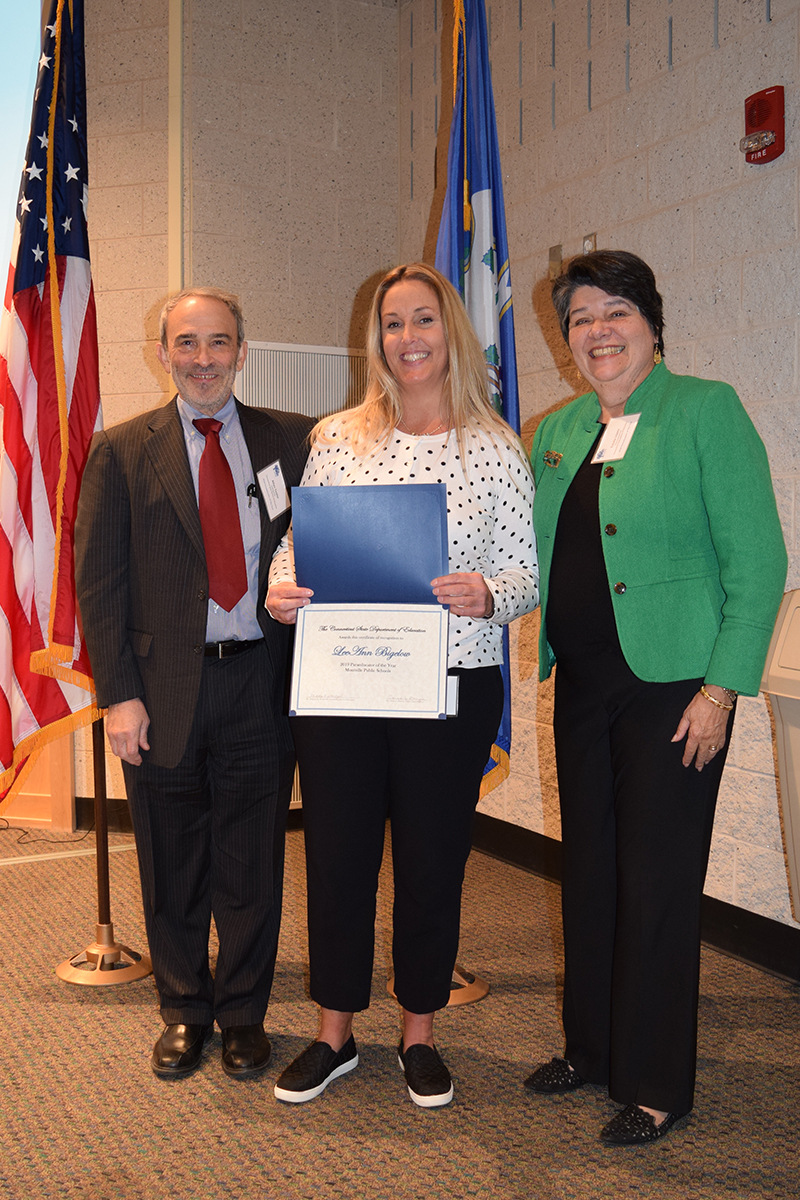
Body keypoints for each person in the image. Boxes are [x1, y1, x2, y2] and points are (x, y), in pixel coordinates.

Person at [525, 250, 787, 1144]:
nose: (598, 331)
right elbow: (535, 554)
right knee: (591, 873)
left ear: (651, 324)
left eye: (616, 312)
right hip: (583, 686)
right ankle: (592, 1049)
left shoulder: (705, 409)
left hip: (676, 691)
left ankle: (655, 1084)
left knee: (657, 882)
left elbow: (760, 562)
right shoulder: (559, 429)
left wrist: (723, 690)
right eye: (581, 318)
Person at [267, 262, 538, 1107]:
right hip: (344, 683)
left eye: (423, 319)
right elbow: (298, 544)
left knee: (432, 859)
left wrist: (487, 593)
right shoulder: (338, 437)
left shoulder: (495, 448)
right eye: (393, 323)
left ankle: (419, 1032)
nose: (408, 337)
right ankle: (334, 1033)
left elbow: (527, 574)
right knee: (337, 856)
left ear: (449, 331)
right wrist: (281, 586)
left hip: (449, 687)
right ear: (377, 339)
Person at [75, 287, 312, 1080]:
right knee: (171, 860)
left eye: (218, 342)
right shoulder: (119, 451)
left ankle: (243, 1012)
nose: (202, 359)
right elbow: (101, 585)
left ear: (242, 350)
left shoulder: (294, 442)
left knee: (252, 863)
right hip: (159, 689)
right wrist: (119, 695)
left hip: (260, 681)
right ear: (163, 352)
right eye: (186, 343)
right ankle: (183, 1008)